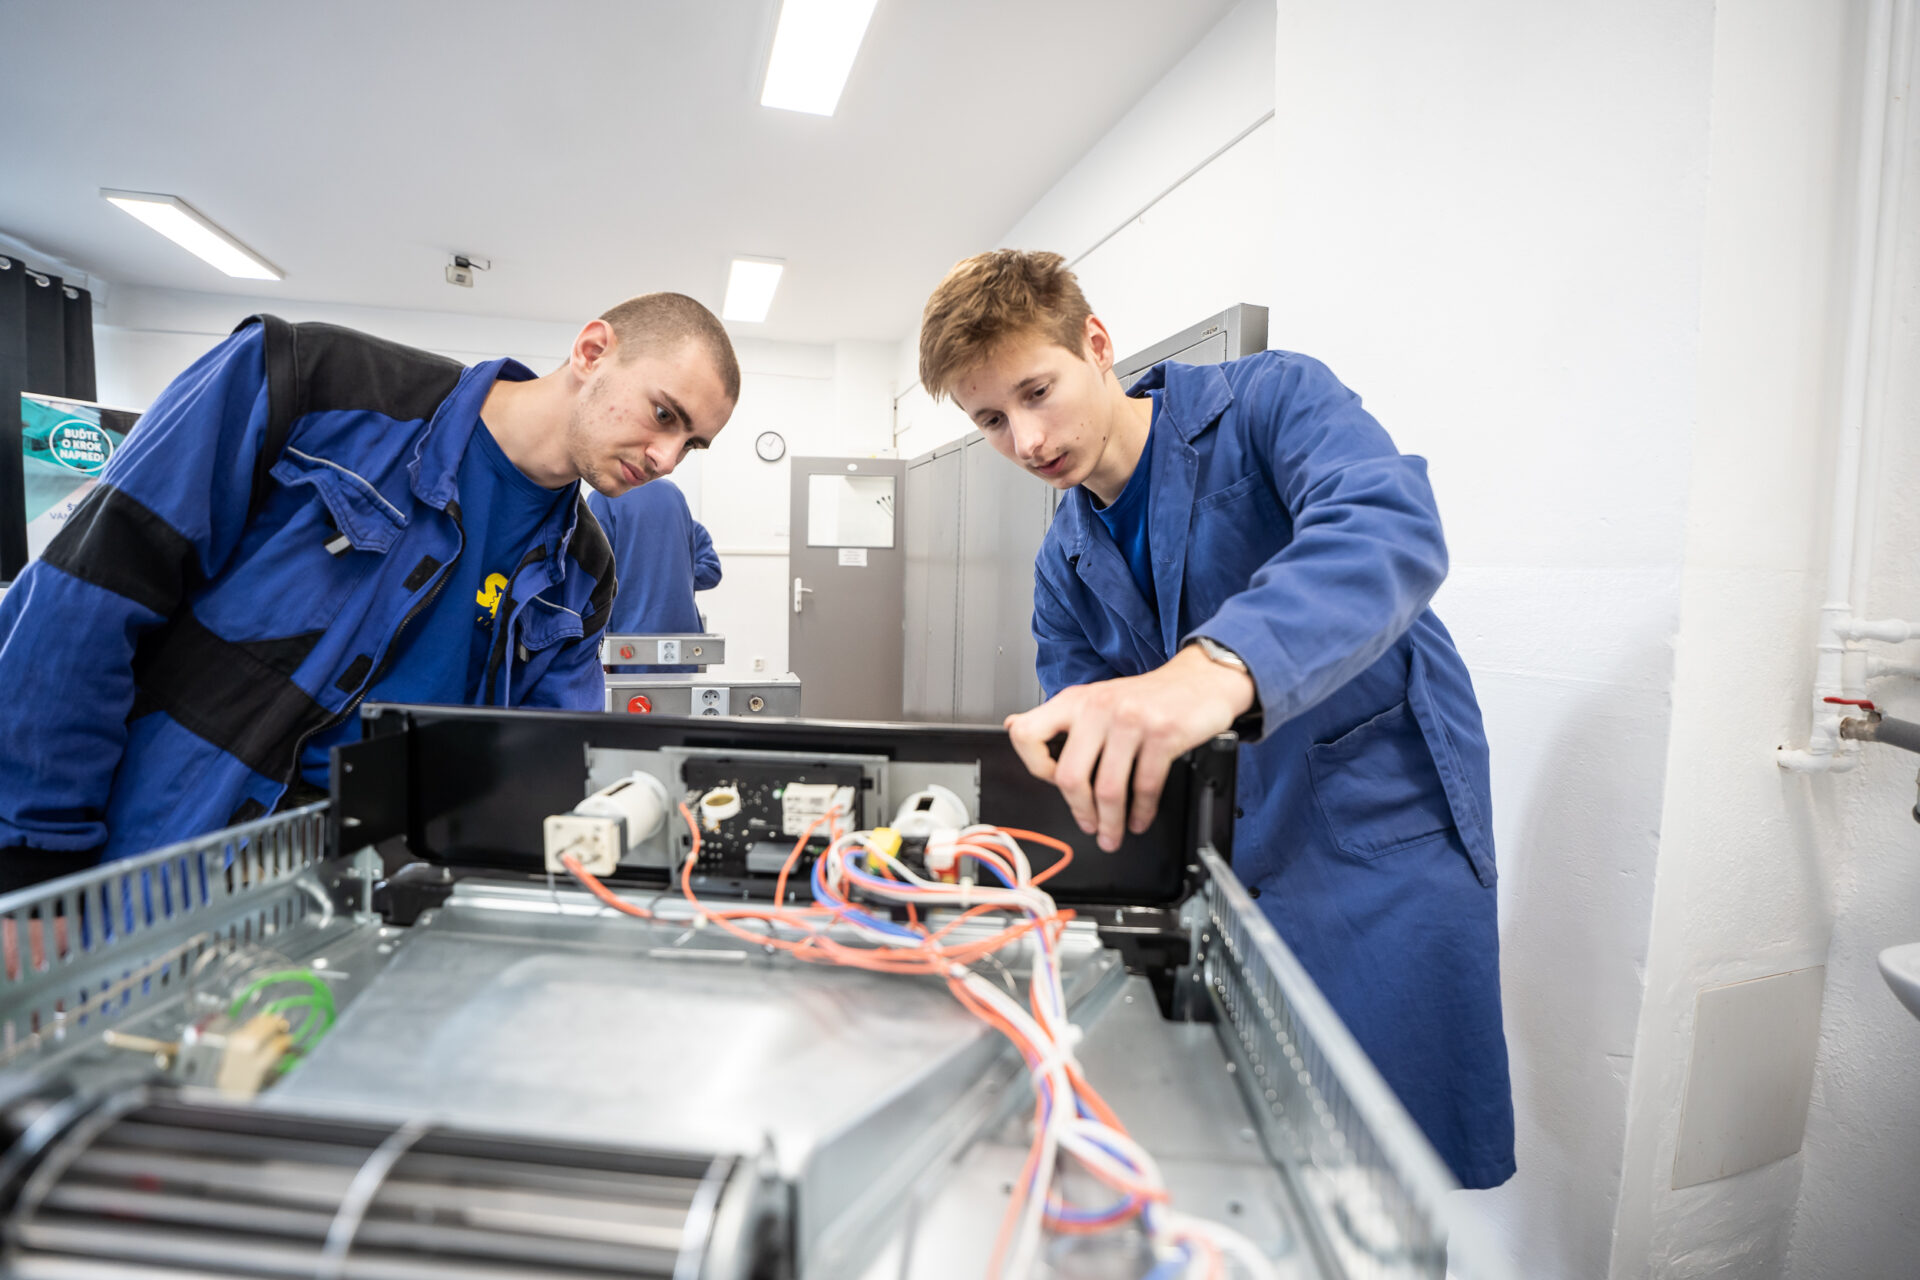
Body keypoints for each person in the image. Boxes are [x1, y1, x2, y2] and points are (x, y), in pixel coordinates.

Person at [916, 250, 1515, 1189]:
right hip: (1224, 865)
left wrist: (1212, 669)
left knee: (1388, 1179)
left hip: (1375, 835)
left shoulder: (1272, 400)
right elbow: (1087, 753)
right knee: (1253, 1160)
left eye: (1037, 391)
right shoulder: (1063, 565)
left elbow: (1388, 524)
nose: (1027, 440)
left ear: (1097, 344)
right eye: (991, 420)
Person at [0, 293, 739, 889]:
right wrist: (35, 858)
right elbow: (83, 601)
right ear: (591, 351)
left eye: (692, 443)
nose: (668, 457)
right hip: (168, 861)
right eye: (664, 415)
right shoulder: (312, 384)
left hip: (380, 894)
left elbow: (544, 765)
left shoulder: (582, 569)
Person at [586, 478, 721, 674]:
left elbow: (594, 576)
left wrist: (598, 648)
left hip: (629, 640)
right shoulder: (674, 493)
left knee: (628, 702)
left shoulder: (604, 497)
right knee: (679, 701)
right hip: (683, 639)